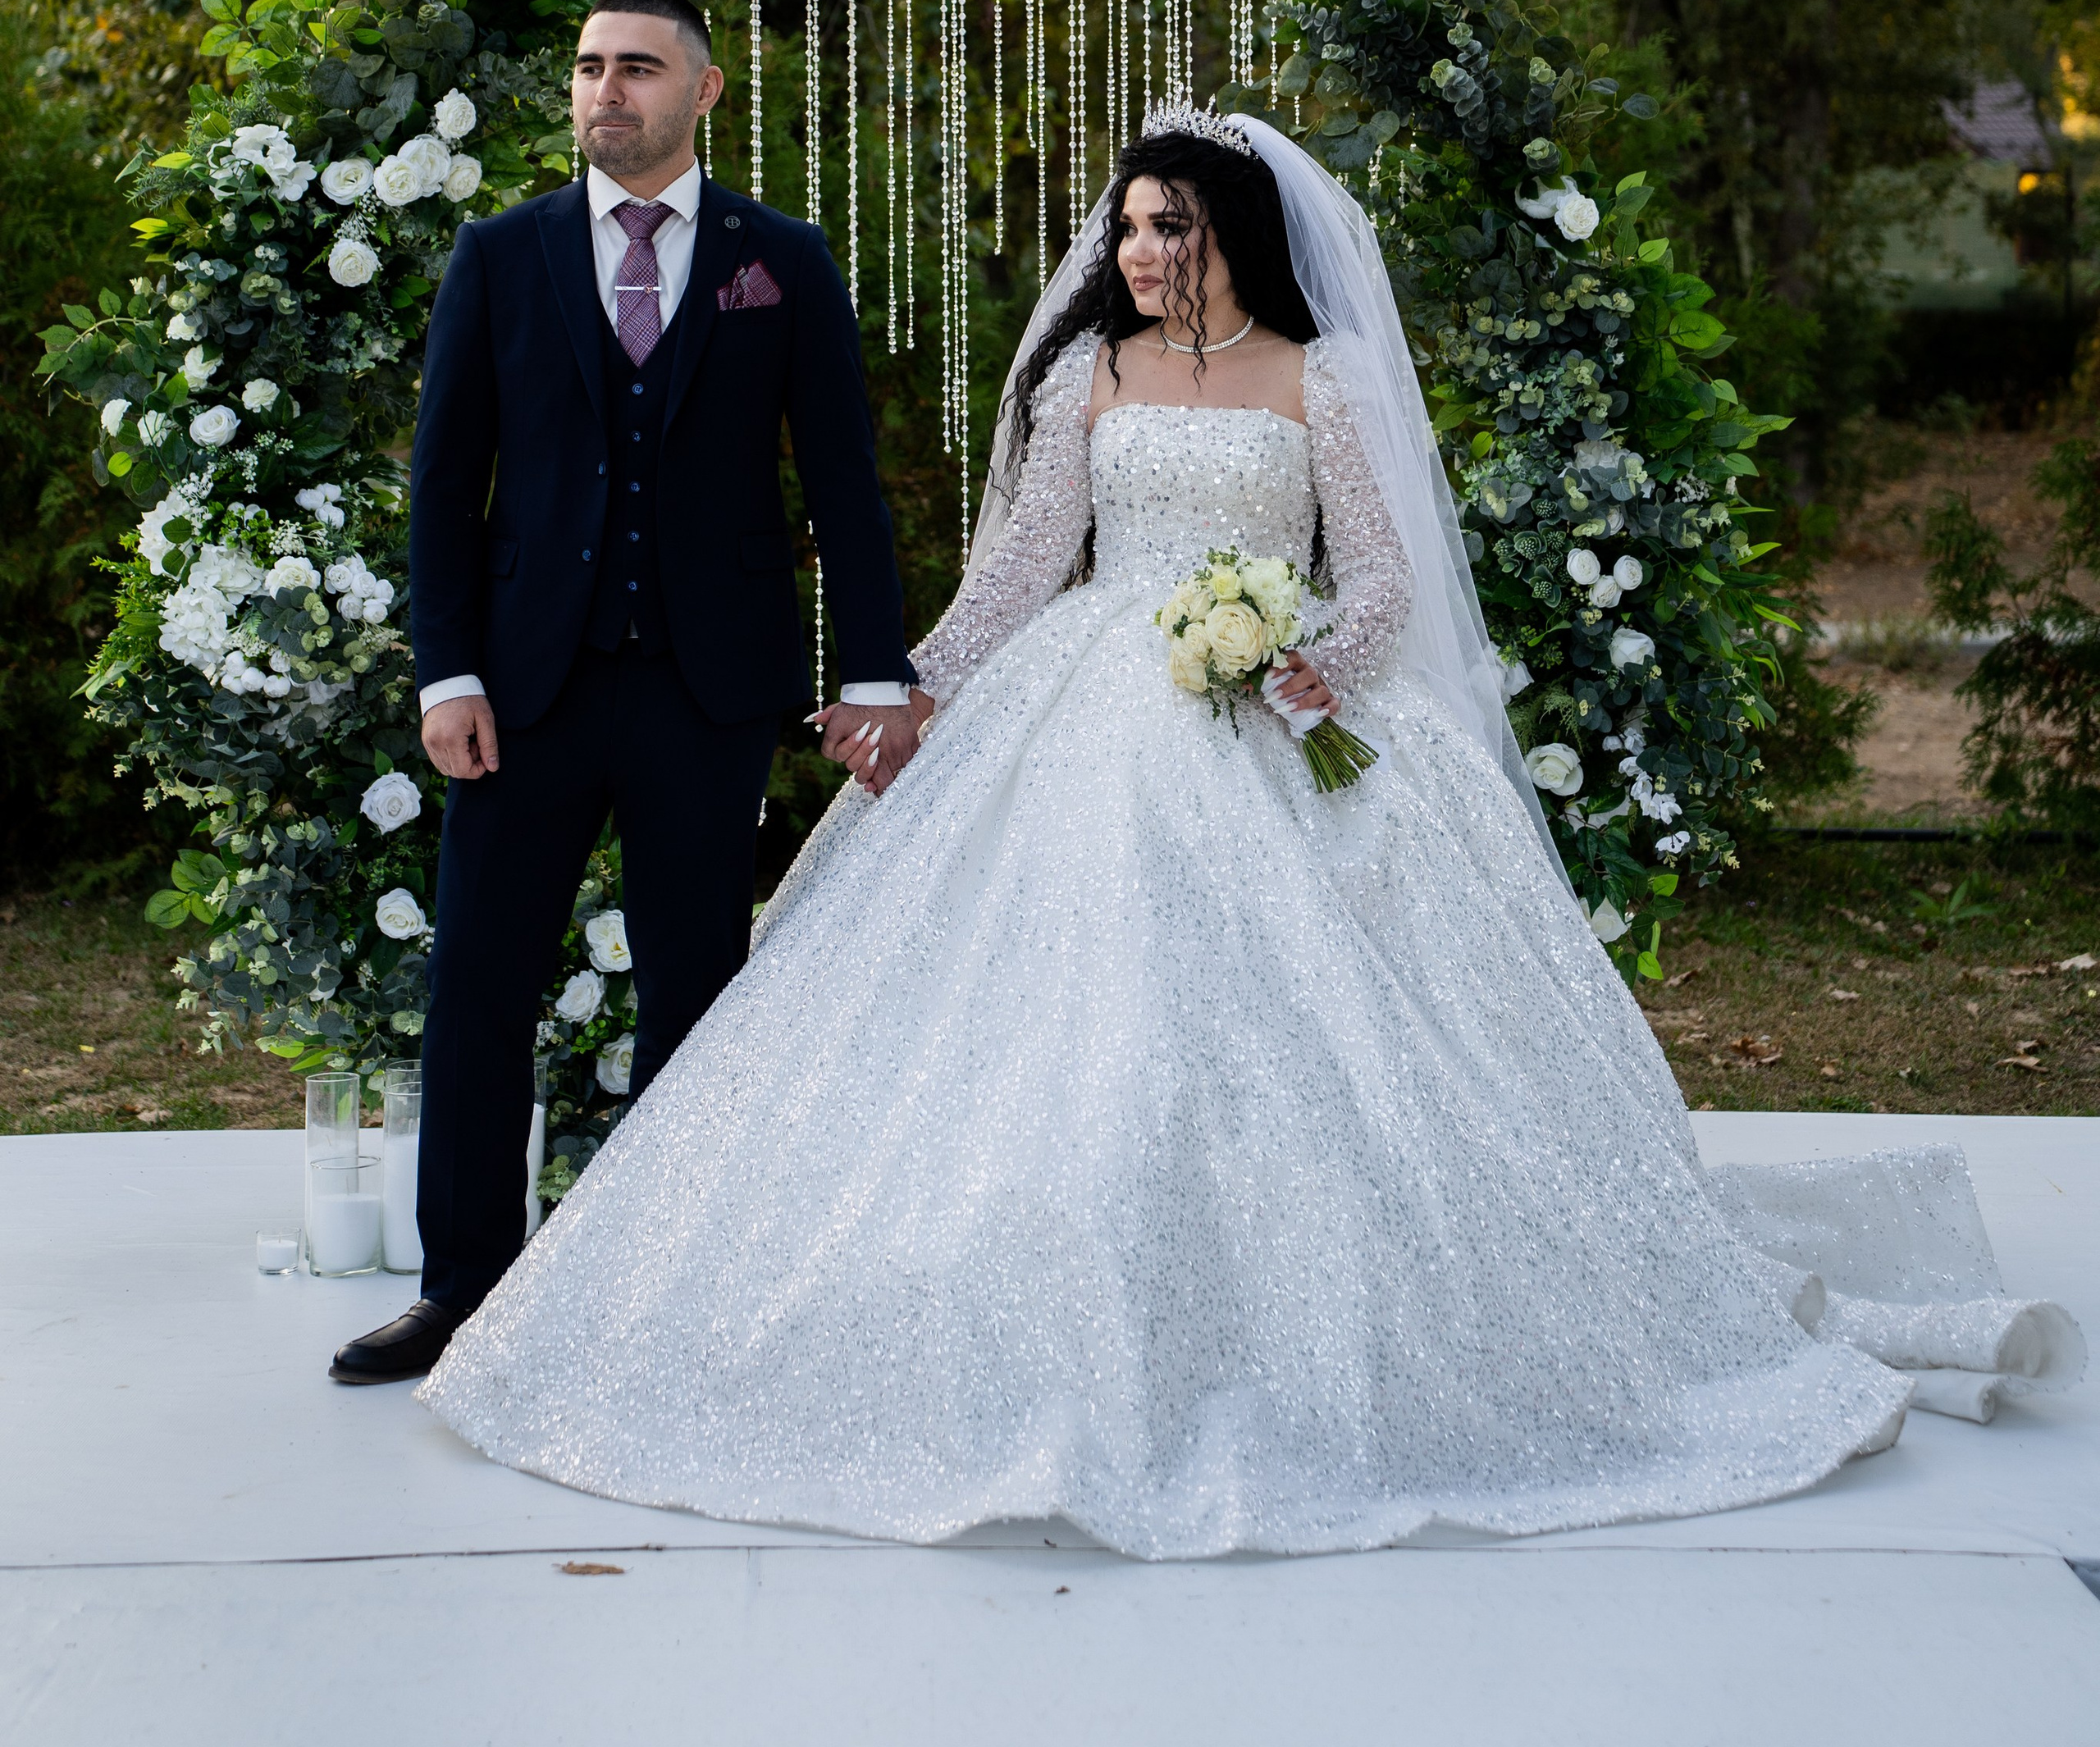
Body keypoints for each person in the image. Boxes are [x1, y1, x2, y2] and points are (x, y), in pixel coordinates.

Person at [416, 104, 2081, 1549]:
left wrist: (1301, 665)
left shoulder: (1324, 376)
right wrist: (899, 685)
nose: (1141, 254)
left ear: (1236, 236)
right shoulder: (1085, 375)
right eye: (1129, 227)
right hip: (1084, 708)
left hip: (1273, 715)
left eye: (1171, 227)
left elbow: (1384, 579)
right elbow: (1014, 572)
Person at [329, 0, 920, 1386]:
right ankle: (462, 1292)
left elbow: (842, 483)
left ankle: (670, 1286)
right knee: (479, 981)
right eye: (591, 67)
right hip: (526, 687)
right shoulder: (501, 253)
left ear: (702, 94)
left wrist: (876, 672)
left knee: (695, 991)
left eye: (638, 68)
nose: (608, 90)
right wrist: (447, 671)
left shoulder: (782, 258)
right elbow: (443, 485)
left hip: (708, 692)